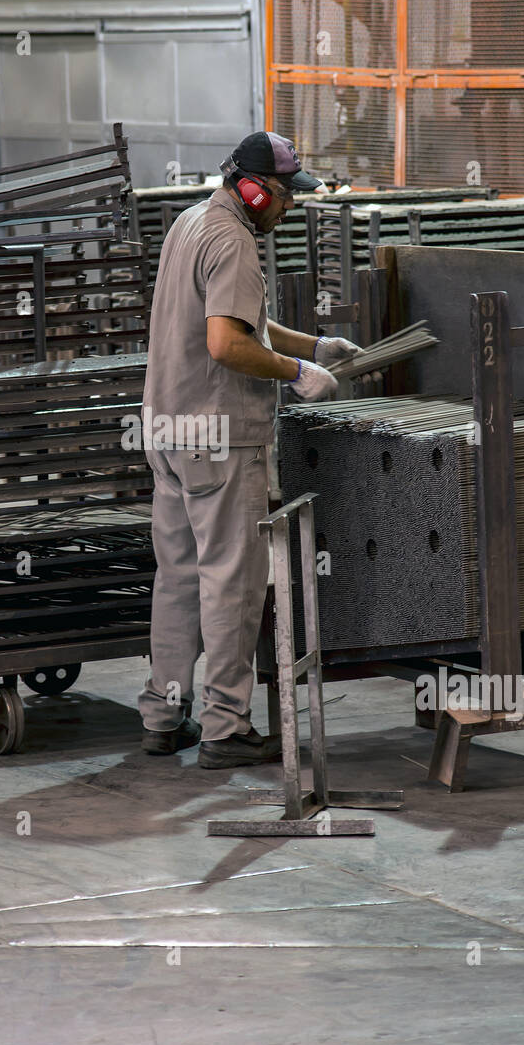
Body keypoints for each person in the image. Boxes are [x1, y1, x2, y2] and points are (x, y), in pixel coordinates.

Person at [138, 131, 362, 768]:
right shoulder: (234, 241)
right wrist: (296, 375)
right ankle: (225, 728)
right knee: (232, 585)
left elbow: (244, 324)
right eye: (288, 196)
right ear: (255, 190)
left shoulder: (191, 222)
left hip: (169, 431)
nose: (290, 207)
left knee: (178, 578)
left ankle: (163, 714)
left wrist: (314, 347)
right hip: (219, 438)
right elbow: (225, 346)